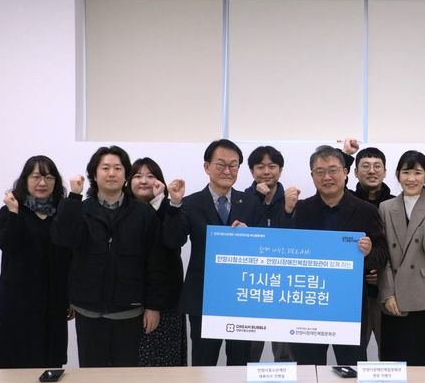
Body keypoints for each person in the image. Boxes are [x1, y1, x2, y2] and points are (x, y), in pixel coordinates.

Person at [290, 145, 387, 383]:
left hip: (349, 309)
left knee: (352, 372)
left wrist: (369, 253)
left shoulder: (366, 210)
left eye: (333, 170)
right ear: (312, 176)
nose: (327, 177)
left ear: (345, 173)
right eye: (320, 171)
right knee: (310, 374)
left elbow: (382, 254)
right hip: (309, 307)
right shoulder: (302, 210)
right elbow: (287, 251)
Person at [52, 146, 165, 367]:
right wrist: (73, 197)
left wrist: (153, 306)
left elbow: (155, 262)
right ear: (94, 175)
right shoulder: (80, 208)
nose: (111, 173)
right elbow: (64, 241)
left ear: (126, 175)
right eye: (105, 168)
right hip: (88, 310)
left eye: (117, 168)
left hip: (129, 311)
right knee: (92, 376)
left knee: (126, 377)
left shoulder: (144, 214)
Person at [164, 139, 265, 366]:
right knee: (203, 364)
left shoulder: (251, 203)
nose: (227, 171)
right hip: (203, 298)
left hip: (241, 298)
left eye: (233, 165)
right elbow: (173, 241)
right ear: (207, 167)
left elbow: (264, 249)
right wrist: (175, 204)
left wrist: (251, 236)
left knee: (240, 365)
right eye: (221, 165)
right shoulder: (189, 203)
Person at [0, 156, 72, 369]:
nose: (42, 183)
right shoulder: (10, 211)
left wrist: (70, 297)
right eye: (36, 177)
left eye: (49, 177)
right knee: (14, 364)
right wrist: (14, 213)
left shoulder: (61, 212)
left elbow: (69, 257)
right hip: (17, 300)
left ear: (56, 182)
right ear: (25, 180)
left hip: (53, 300)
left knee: (50, 364)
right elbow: (8, 246)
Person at [378, 150, 425, 366]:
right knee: (395, 363)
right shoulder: (386, 207)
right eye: (406, 172)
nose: (411, 178)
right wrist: (388, 293)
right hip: (396, 297)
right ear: (397, 175)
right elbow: (384, 256)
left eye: (417, 173)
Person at [128, 157, 187, 367]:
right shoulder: (122, 212)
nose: (144, 181)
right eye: (137, 176)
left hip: (167, 303)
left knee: (166, 367)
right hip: (130, 303)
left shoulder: (171, 208)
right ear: (128, 182)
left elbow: (173, 241)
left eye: (150, 176)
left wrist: (166, 202)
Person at [245, 145, 299, 362]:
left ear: (281, 170)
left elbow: (294, 242)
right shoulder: (242, 199)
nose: (266, 172)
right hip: (251, 282)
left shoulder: (292, 199)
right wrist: (257, 199)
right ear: (252, 171)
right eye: (260, 167)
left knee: (285, 347)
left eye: (272, 166)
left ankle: (286, 381)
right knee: (248, 347)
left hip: (283, 283)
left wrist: (288, 211)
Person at [351, 146, 395, 358]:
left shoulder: (396, 203)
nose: (371, 171)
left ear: (385, 172)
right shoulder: (347, 202)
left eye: (377, 166)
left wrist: (383, 275)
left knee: (390, 353)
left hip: (389, 292)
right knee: (355, 354)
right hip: (355, 292)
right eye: (365, 166)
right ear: (355, 172)